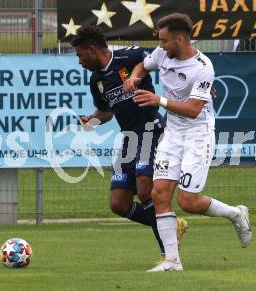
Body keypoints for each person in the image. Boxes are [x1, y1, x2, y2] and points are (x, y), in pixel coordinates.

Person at [123, 13, 252, 272]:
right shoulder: (162, 55)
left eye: (164, 40)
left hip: (198, 134)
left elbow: (193, 109)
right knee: (159, 194)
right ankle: (172, 261)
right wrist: (134, 77)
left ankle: (237, 214)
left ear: (179, 39)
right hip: (173, 134)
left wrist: (157, 100)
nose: (160, 46)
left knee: (188, 202)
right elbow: (143, 65)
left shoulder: (203, 67)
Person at [69, 26, 188, 262]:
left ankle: (168, 255)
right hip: (128, 139)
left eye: (80, 55)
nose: (80, 61)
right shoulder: (96, 82)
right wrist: (91, 121)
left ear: (92, 50)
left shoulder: (129, 56)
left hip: (150, 130)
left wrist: (134, 76)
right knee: (118, 204)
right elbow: (106, 113)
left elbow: (153, 61)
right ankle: (172, 225)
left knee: (145, 189)